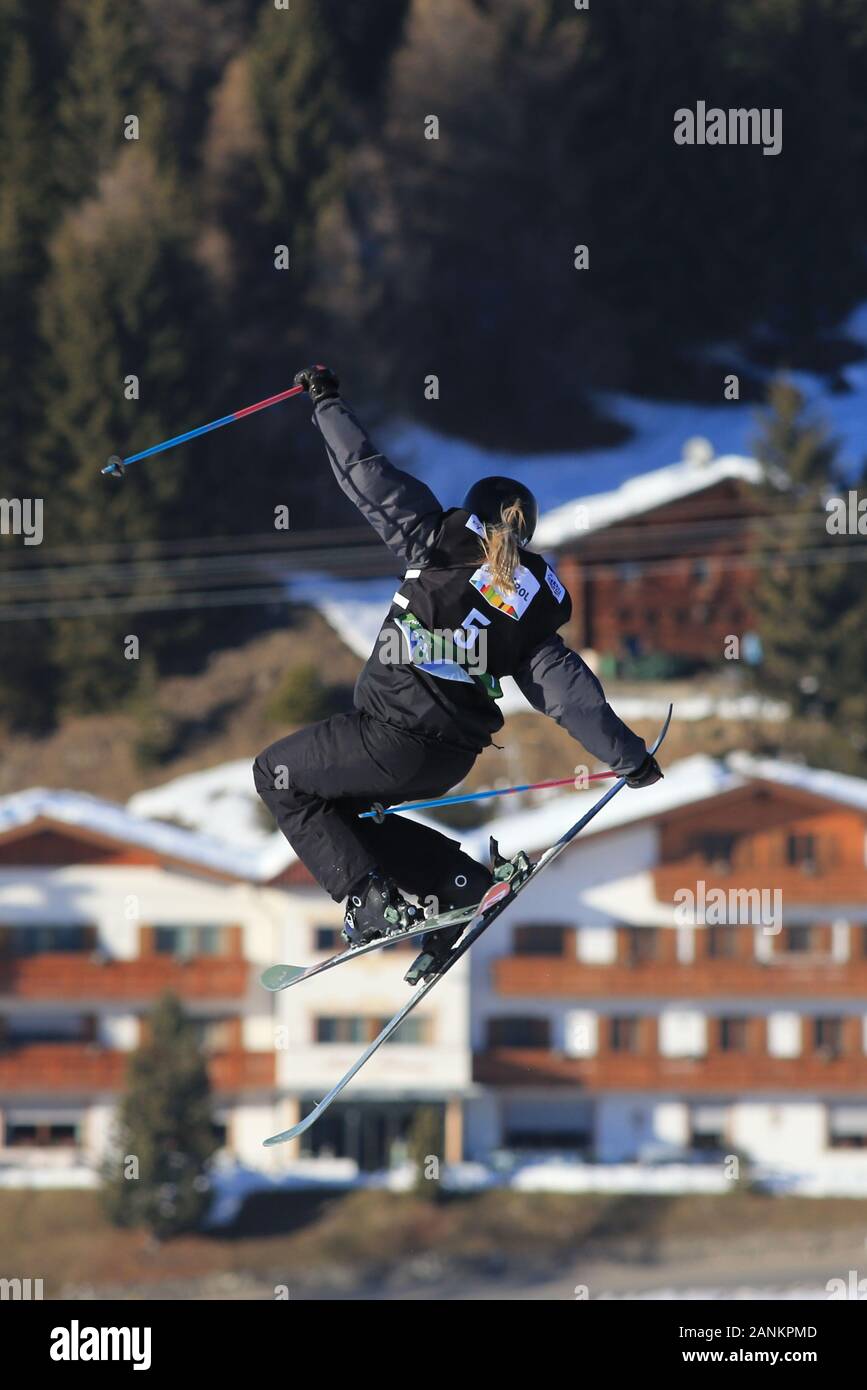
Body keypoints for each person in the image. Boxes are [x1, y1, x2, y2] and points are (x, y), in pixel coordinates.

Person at [254, 365, 662, 982]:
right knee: (349, 812)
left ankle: (368, 900)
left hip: (389, 734)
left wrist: (325, 401)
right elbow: (569, 695)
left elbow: (367, 474)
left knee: (278, 776)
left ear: (474, 516)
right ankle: (456, 885)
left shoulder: (436, 542)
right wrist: (627, 755)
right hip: (449, 758)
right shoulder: (531, 606)